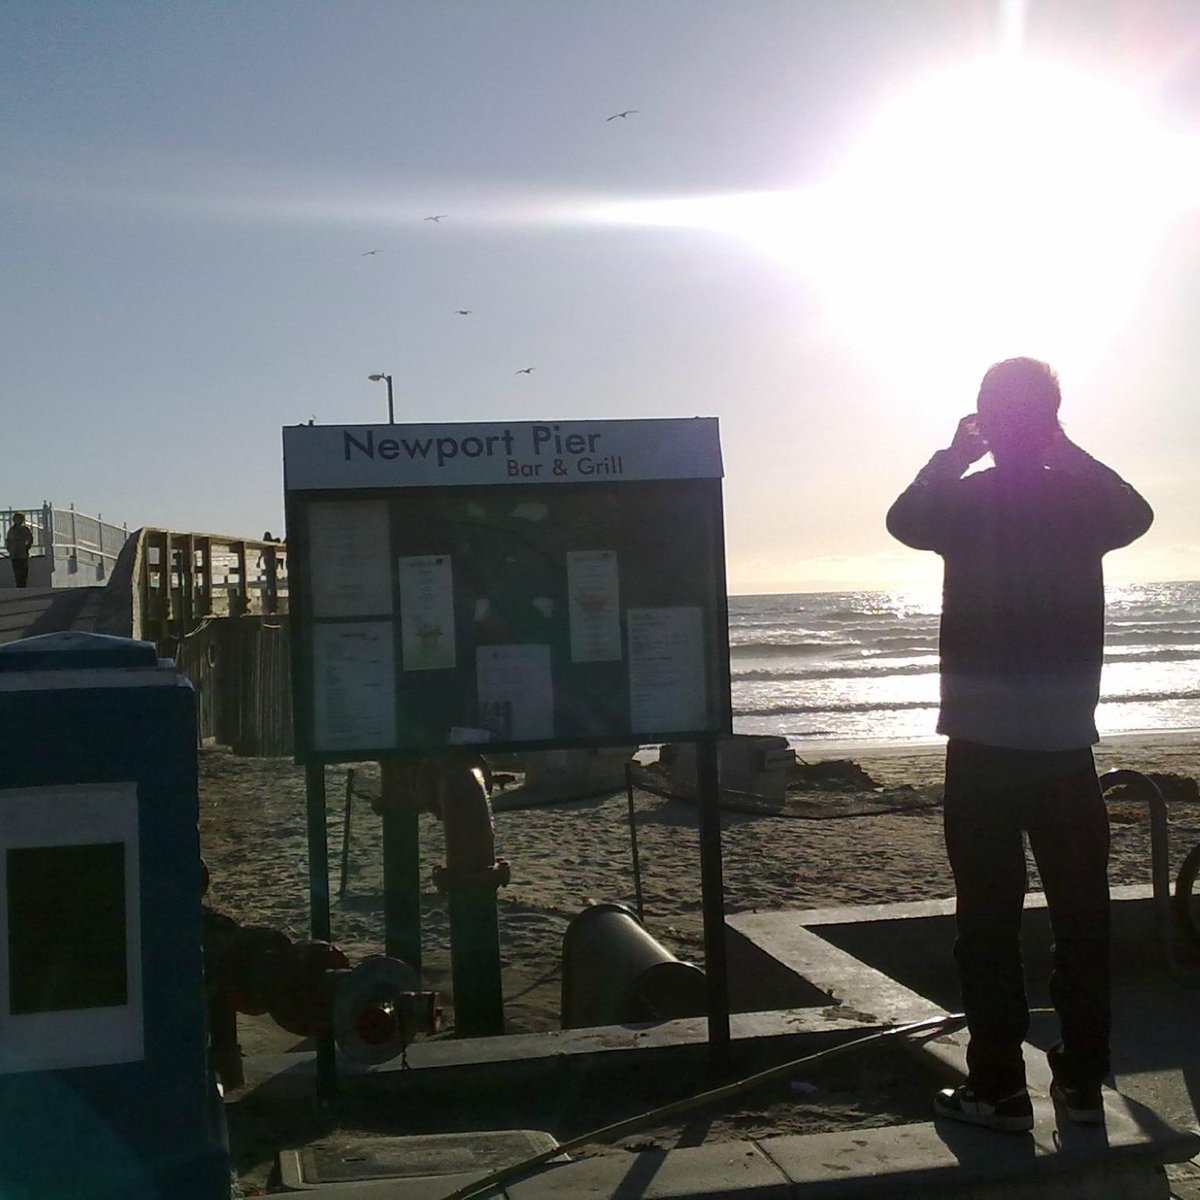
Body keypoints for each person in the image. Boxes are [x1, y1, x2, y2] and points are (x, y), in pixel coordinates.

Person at [886, 358, 1153, 1132]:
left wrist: (953, 455)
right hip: (1065, 743)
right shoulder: (1079, 501)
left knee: (989, 922)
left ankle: (999, 1088)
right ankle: (1080, 1086)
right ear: (1052, 420)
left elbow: (904, 520)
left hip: (980, 746)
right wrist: (1062, 448)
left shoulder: (965, 501)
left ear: (985, 421)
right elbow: (1135, 513)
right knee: (1081, 917)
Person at [5, 512, 33, 588]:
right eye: (16, 519)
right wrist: (9, 549)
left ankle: (23, 585)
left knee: (23, 571)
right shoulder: (11, 530)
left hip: (22, 553)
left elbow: (30, 539)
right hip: (14, 554)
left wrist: (26, 547)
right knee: (16, 571)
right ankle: (19, 586)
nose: (18, 520)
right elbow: (8, 541)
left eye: (20, 519)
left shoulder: (25, 529)